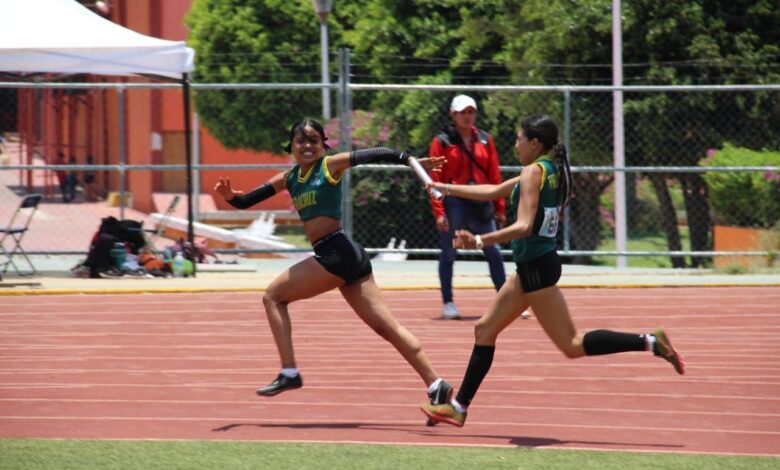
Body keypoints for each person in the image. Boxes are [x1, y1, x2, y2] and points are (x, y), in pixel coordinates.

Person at [421, 115, 685, 428]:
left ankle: (651, 341)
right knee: (484, 330)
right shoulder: (546, 168)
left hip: (535, 269)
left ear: (535, 143)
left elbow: (523, 226)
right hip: (536, 266)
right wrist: (444, 188)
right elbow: (494, 191)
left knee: (572, 344)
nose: (515, 144)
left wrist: (478, 240)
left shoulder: (534, 172)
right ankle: (458, 407)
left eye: (519, 139)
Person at [214, 119, 453, 407]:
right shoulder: (289, 178)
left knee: (273, 297)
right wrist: (230, 197)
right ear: (290, 145)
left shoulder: (330, 166)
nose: (307, 146)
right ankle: (436, 384)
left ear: (323, 145)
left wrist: (410, 161)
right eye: (301, 140)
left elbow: (375, 153)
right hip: (345, 255)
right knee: (386, 328)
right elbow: (246, 201)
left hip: (336, 252)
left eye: (314, 140)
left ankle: (289, 371)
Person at [429, 94, 506, 319]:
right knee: (449, 252)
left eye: (471, 111)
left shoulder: (485, 139)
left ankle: (504, 300)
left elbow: (495, 174)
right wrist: (439, 212)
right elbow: (434, 178)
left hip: (482, 200)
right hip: (455, 201)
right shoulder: (442, 141)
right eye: (462, 112)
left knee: (493, 251)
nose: (467, 116)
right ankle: (448, 304)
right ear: (453, 115)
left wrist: (500, 206)